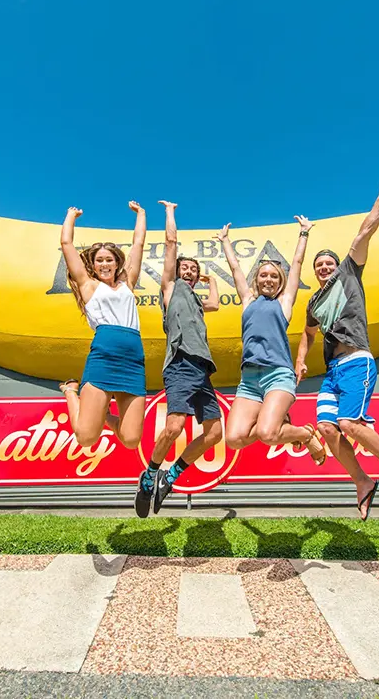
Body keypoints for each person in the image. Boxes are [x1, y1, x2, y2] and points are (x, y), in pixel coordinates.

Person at [295, 169, 379, 521]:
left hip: (357, 361)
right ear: (314, 273)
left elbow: (365, 230)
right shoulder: (314, 303)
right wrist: (301, 360)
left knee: (350, 424)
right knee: (329, 430)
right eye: (319, 265)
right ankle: (362, 481)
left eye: (328, 263)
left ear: (338, 266)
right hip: (333, 370)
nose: (324, 267)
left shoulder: (349, 272)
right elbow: (307, 332)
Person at [134, 200, 223, 517]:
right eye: (186, 268)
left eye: (193, 270)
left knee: (214, 433)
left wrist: (208, 277)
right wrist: (169, 211)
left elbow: (214, 303)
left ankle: (171, 477)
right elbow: (171, 243)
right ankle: (148, 477)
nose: (189, 271)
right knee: (174, 427)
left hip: (202, 368)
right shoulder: (170, 288)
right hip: (181, 362)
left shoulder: (197, 301)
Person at [216, 216, 325, 462]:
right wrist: (225, 241)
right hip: (249, 381)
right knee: (234, 439)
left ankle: (304, 435)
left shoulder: (284, 304)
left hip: (278, 374)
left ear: (280, 282)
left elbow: (296, 263)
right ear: (257, 279)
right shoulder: (247, 302)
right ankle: (287, 430)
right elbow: (235, 270)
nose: (268, 279)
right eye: (263, 275)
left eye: (274, 277)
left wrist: (304, 233)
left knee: (267, 433)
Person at [58, 201, 148, 450]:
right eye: (99, 261)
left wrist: (141, 214)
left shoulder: (127, 282)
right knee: (86, 438)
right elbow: (67, 245)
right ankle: (69, 391)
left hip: (132, 360)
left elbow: (138, 244)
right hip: (104, 357)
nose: (105, 264)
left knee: (131, 440)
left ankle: (104, 416)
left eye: (109, 259)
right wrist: (71, 216)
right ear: (93, 265)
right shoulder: (88, 285)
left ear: (117, 262)